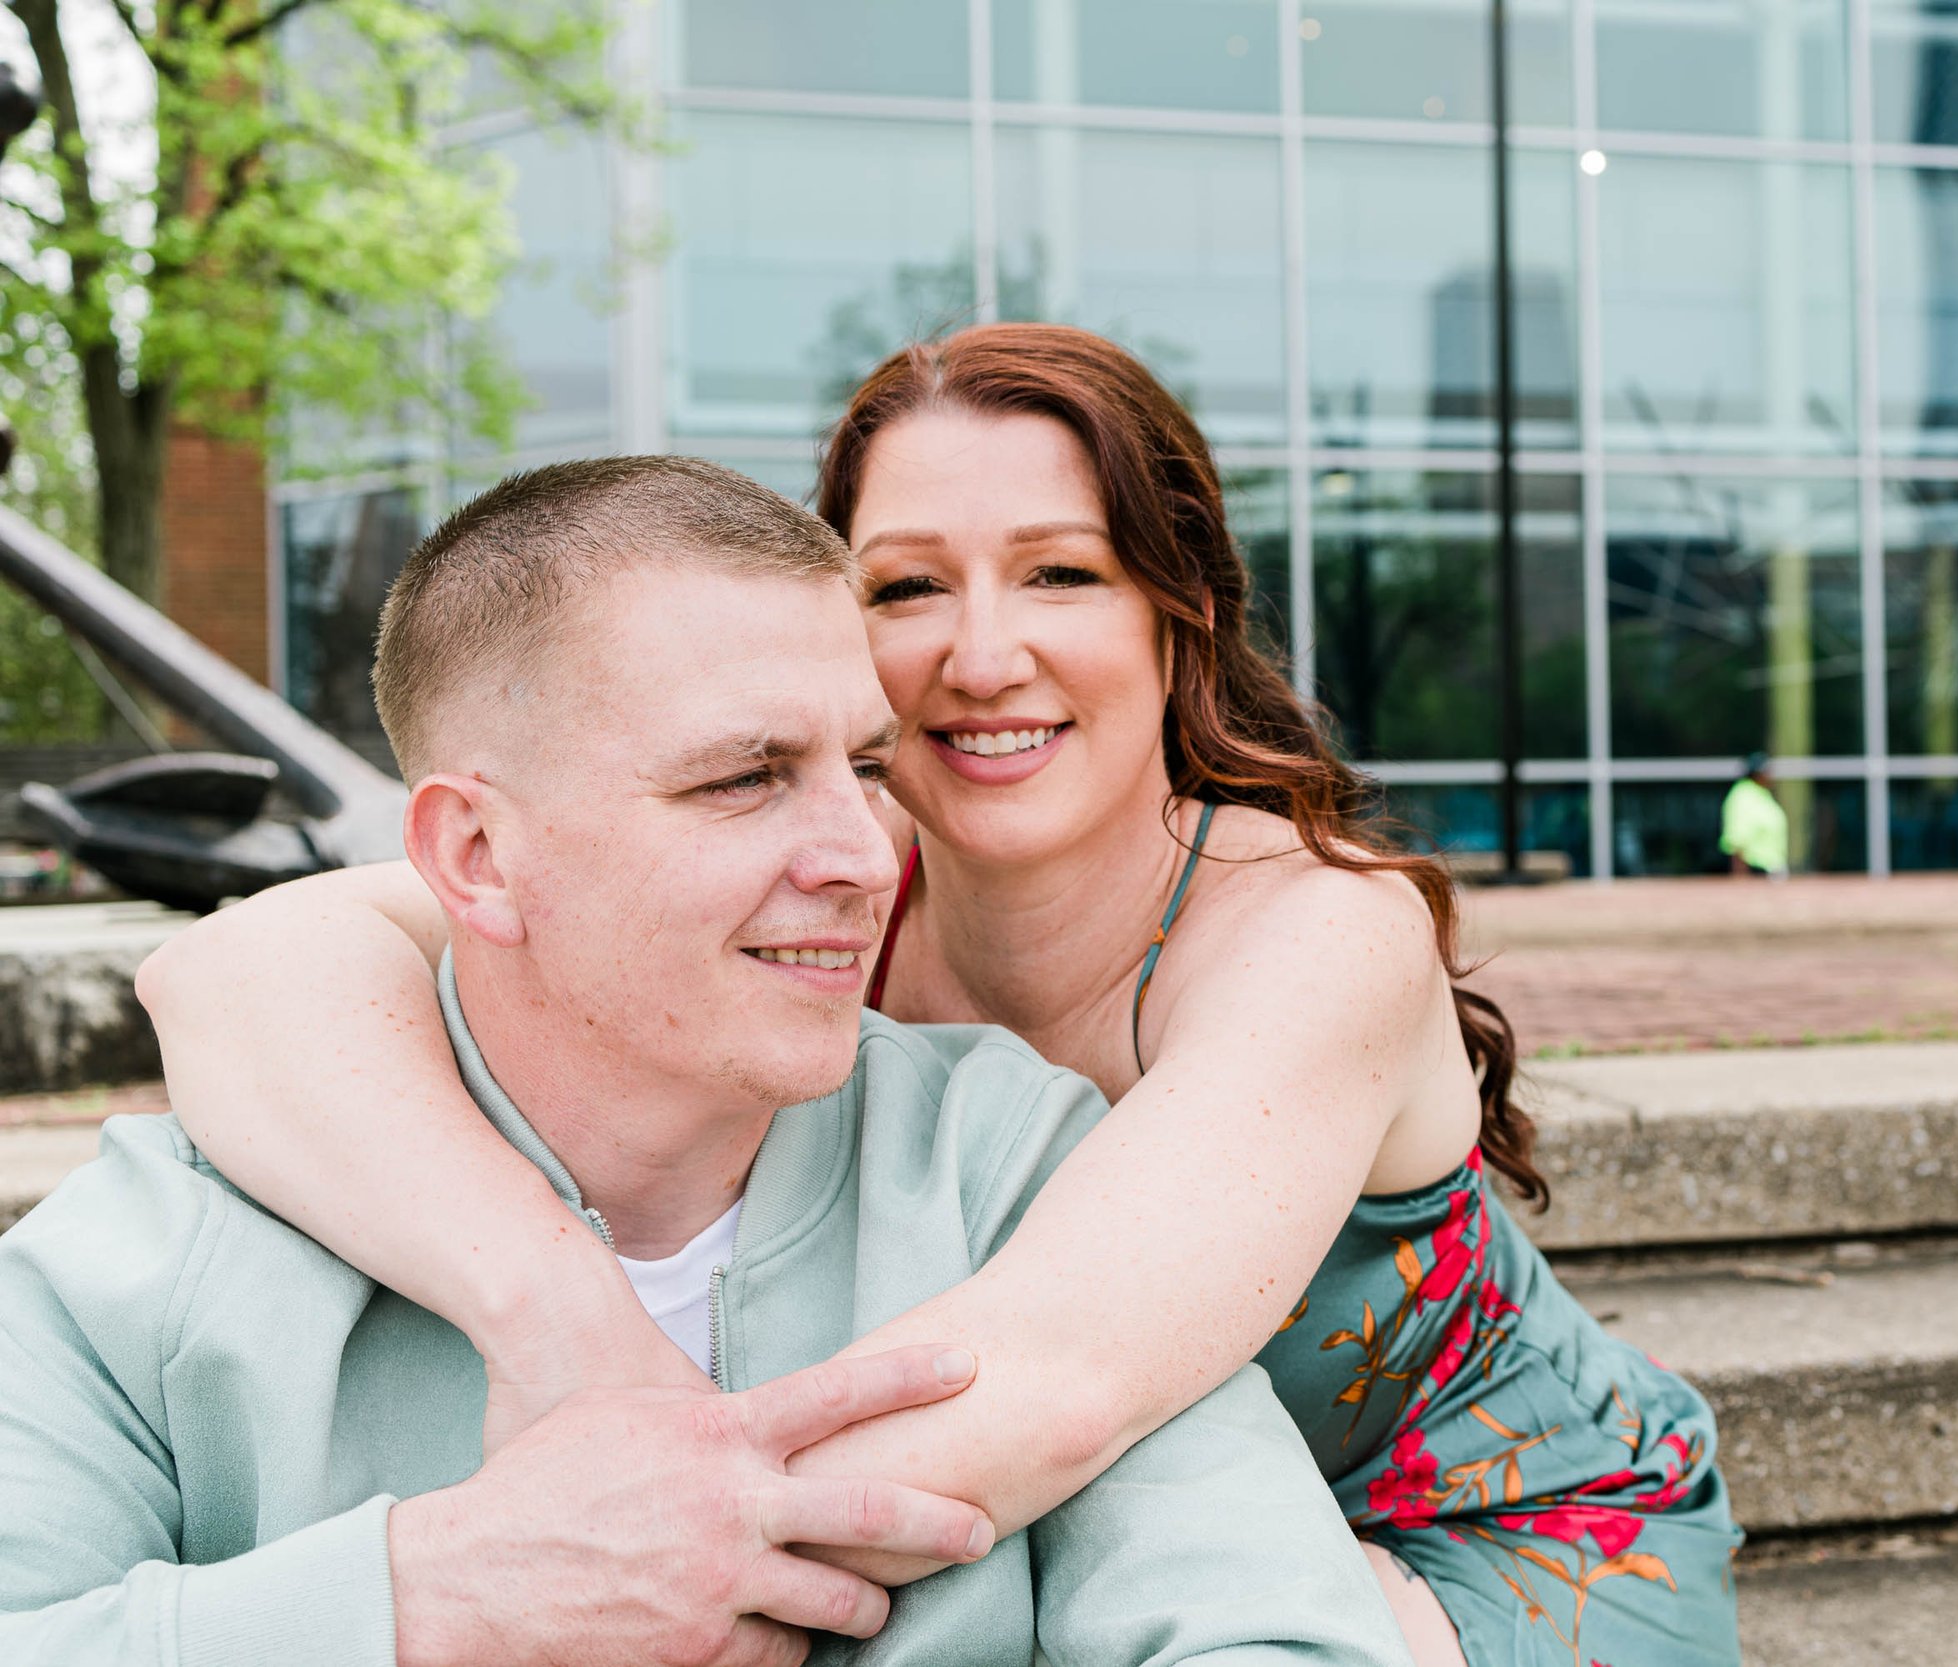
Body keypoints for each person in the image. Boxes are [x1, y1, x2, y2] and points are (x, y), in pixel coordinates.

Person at [137, 327, 1744, 1666]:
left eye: (1061, 573)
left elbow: (1046, 1386)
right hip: (1081, 1521)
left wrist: (581, 1547)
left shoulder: (1317, 926)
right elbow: (230, 972)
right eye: (908, 588)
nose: (981, 656)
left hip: (1473, 1535)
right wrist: (554, 1314)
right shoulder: (824, 878)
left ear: (1175, 613)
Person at [0, 456, 1410, 1667]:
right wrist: (432, 1589)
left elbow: (1266, 1625)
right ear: (477, 856)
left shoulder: (1013, 1167)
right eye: (742, 778)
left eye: (867, 765)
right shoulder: (145, 1264)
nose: (868, 857)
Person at [1720, 753, 1790, 878]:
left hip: (1771, 870)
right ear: (1756, 774)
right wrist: (1742, 880)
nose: (1770, 775)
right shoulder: (1742, 796)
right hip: (1755, 873)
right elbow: (1737, 841)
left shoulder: (1761, 794)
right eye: (1766, 771)